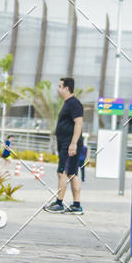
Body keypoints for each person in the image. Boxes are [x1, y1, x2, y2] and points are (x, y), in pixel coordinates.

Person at [43, 77, 84, 214]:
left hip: (69, 144)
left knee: (63, 172)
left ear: (67, 88)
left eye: (60, 86)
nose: (58, 89)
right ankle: (76, 205)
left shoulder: (74, 104)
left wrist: (73, 143)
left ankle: (59, 203)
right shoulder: (67, 103)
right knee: (71, 173)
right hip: (65, 143)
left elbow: (79, 123)